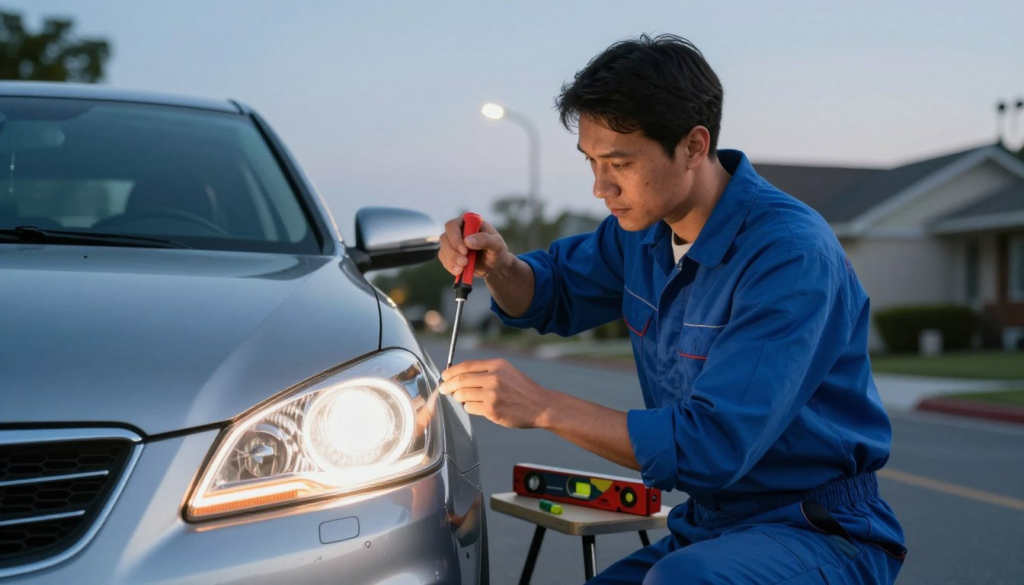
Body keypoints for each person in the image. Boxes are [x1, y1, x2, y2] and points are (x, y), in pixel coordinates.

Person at [437, 34, 906, 584]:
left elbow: (711, 446)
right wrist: (498, 265)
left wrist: (542, 407)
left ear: (693, 146)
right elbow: (550, 292)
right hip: (709, 526)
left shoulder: (788, 254)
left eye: (619, 162)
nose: (600, 188)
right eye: (591, 162)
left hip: (816, 529)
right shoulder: (641, 233)